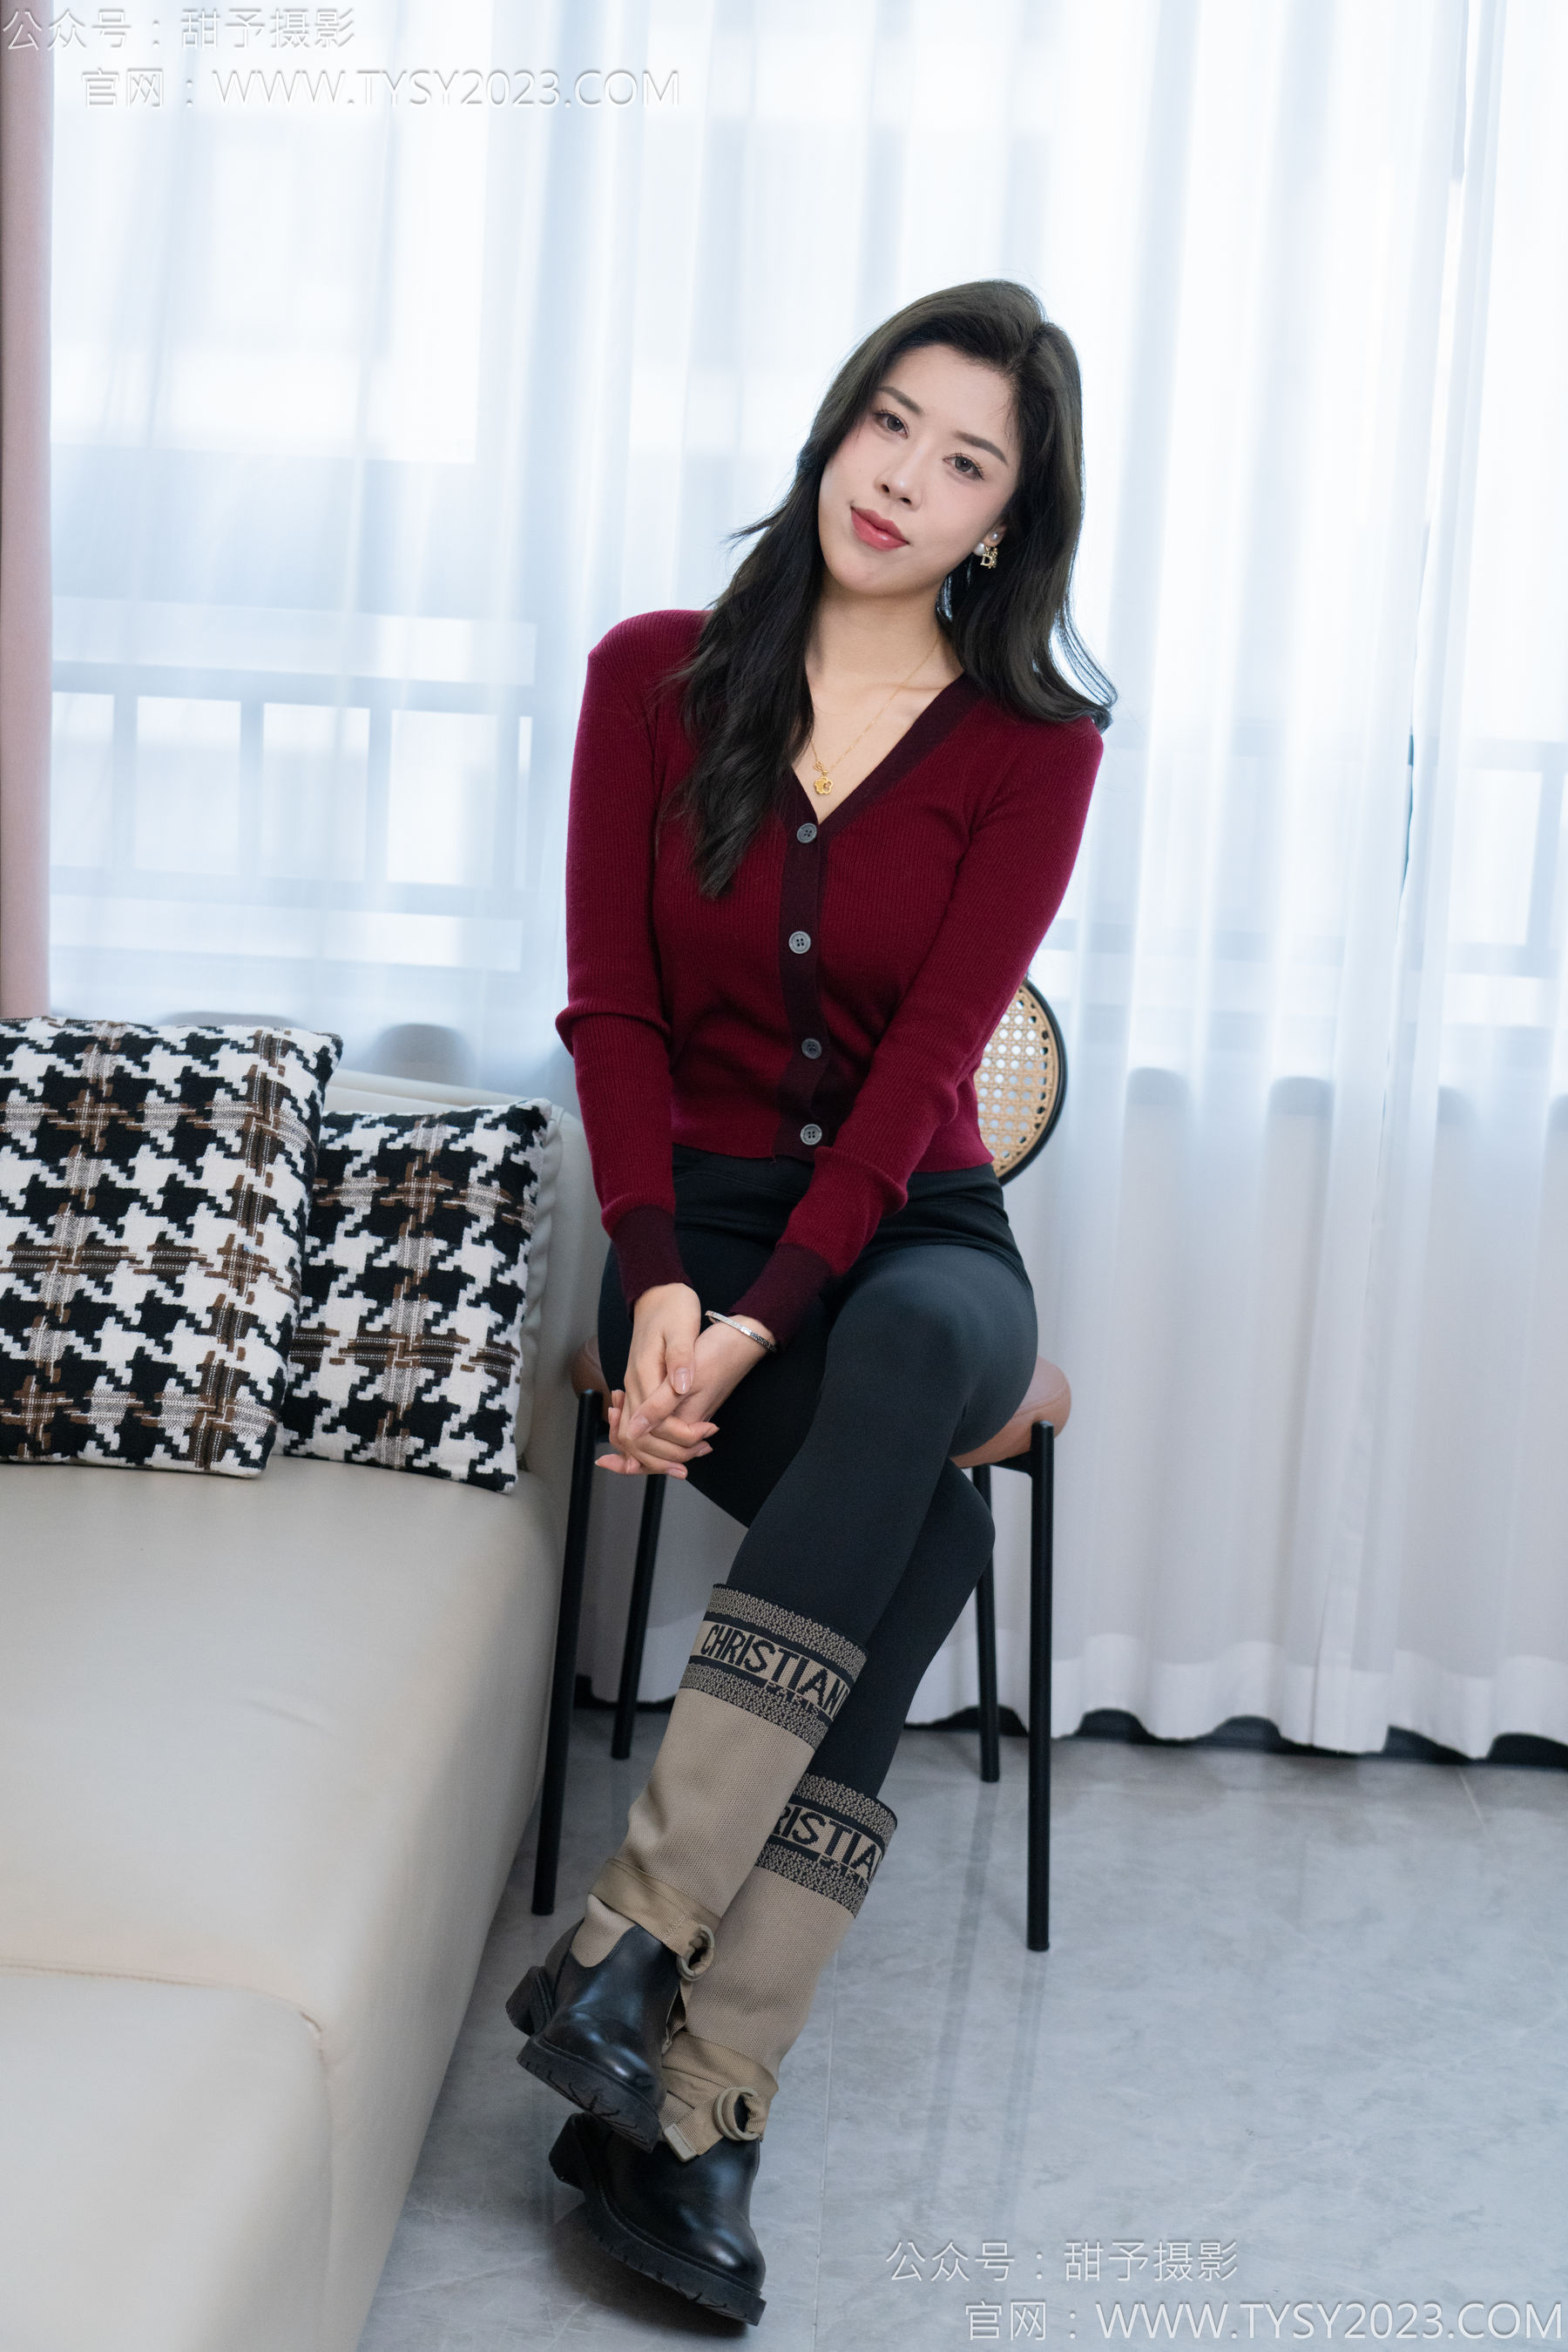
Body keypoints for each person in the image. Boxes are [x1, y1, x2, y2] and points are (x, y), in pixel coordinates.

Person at [508, 278, 1112, 2327]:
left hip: (916, 1230)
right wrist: (668, 1279)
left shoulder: (1034, 748)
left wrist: (766, 1319)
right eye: (892, 423)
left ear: (1008, 523)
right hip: (695, 1231)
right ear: (837, 422)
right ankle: (699, 2104)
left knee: (926, 1350)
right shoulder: (653, 677)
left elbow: (938, 1055)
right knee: (931, 1534)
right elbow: (613, 1012)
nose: (908, 480)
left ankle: (630, 1943)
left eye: (969, 462)